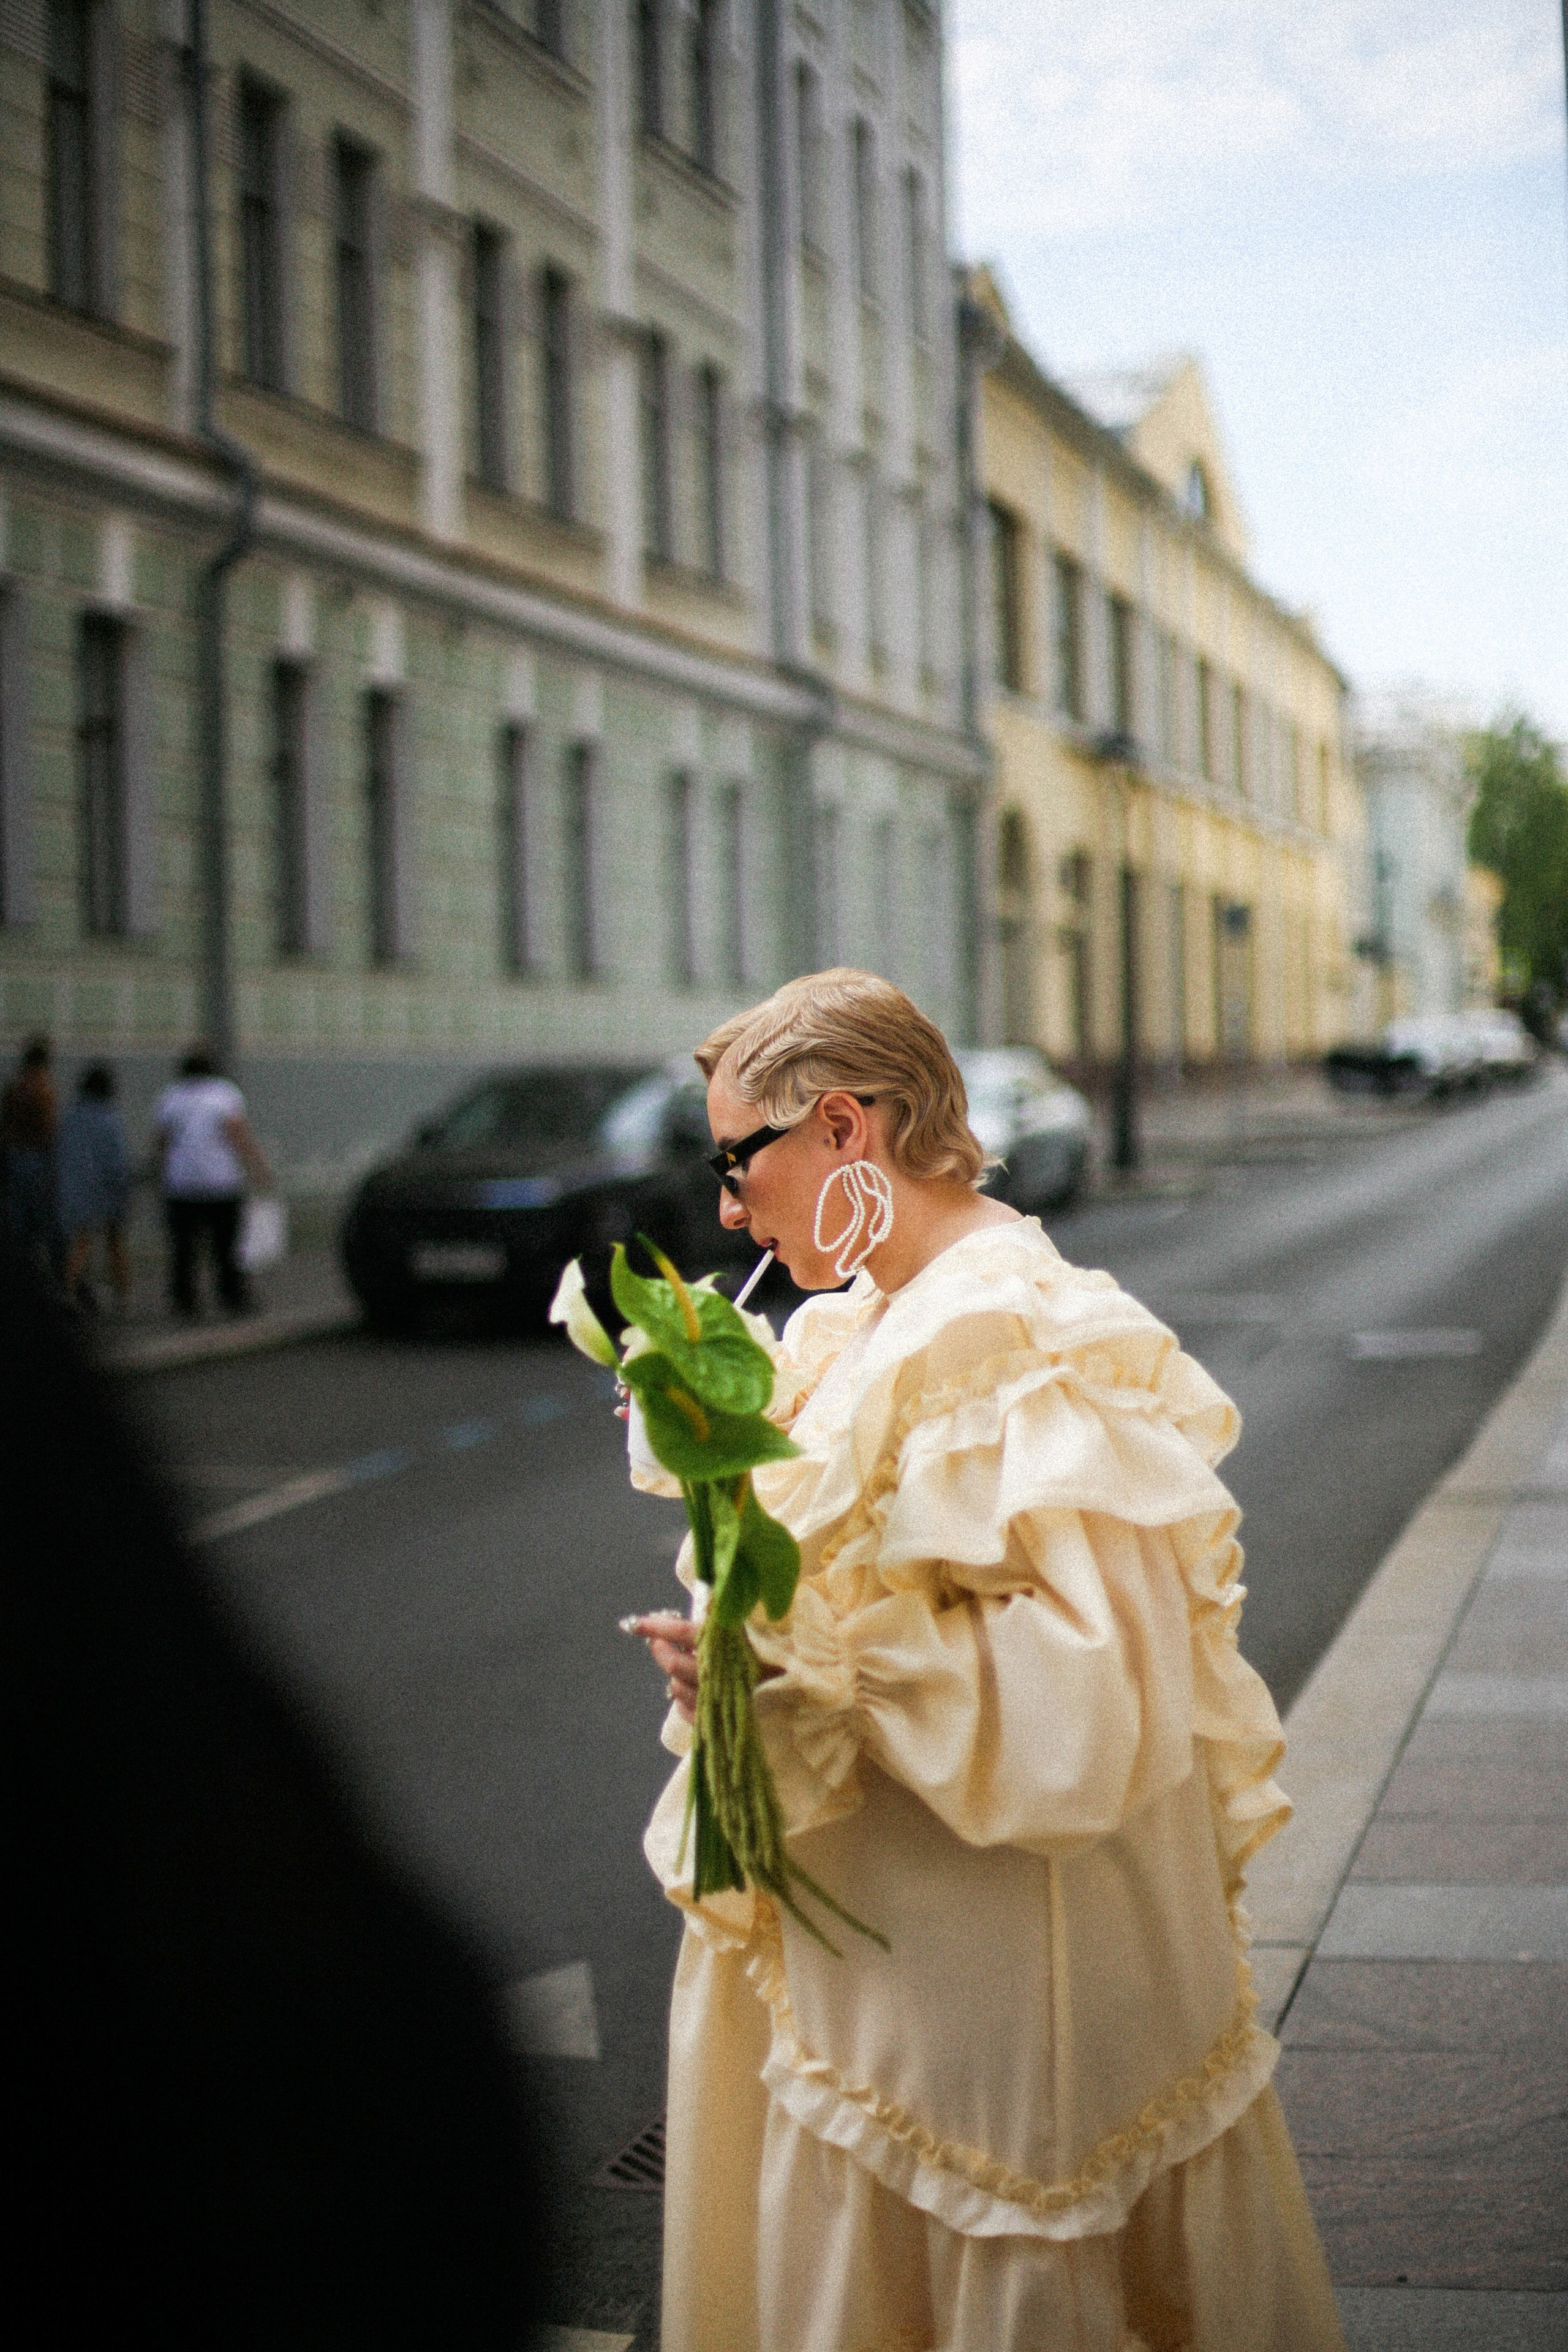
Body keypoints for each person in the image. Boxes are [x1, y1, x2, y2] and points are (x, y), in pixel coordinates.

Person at [625, 969, 1345, 2352]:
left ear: (845, 1129)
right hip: (900, 1985)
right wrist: (745, 1655)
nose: (725, 1208)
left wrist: (809, 1660)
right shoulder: (869, 1321)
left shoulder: (1006, 1332)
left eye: (737, 1160)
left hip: (987, 2022)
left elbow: (1093, 1698)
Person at [154, 1044, 274, 1317]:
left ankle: (185, 1299)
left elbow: (162, 1141)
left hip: (181, 1183)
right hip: (221, 1182)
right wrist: (259, 1168)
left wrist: (157, 1173)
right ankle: (231, 1294)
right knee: (226, 1244)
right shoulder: (224, 1094)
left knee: (184, 1246)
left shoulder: (171, 1097)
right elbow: (239, 1136)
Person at [57, 1062, 133, 1314]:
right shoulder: (110, 1118)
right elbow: (117, 1159)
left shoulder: (70, 1115)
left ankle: (69, 1291)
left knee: (81, 1241)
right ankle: (122, 1296)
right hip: (108, 1187)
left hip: (77, 1186)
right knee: (115, 1241)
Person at [1, 1034, 61, 1281]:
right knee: (43, 1222)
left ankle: (19, 1274)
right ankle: (38, 1279)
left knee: (18, 1224)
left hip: (14, 1156)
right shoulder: (44, 1089)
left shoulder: (14, 1086)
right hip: (39, 1158)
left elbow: (5, 1124)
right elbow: (50, 1128)